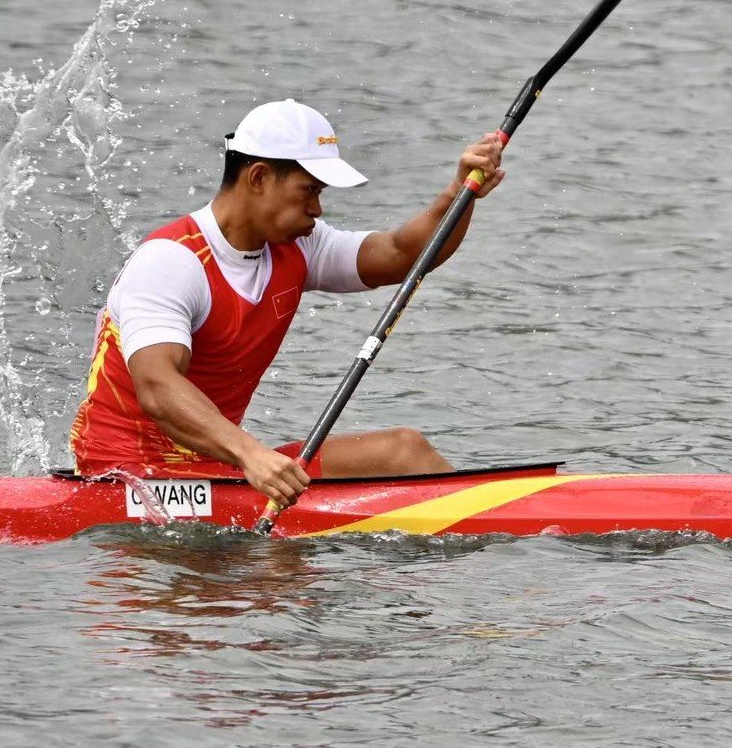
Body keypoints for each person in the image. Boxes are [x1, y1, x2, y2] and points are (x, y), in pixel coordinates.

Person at [69, 99, 505, 508]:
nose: (317, 208)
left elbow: (400, 255)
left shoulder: (297, 247)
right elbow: (157, 387)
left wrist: (458, 194)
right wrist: (250, 454)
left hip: (223, 468)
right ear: (258, 178)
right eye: (308, 191)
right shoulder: (172, 261)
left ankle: (496, 529)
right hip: (128, 481)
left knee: (404, 450)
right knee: (281, 581)